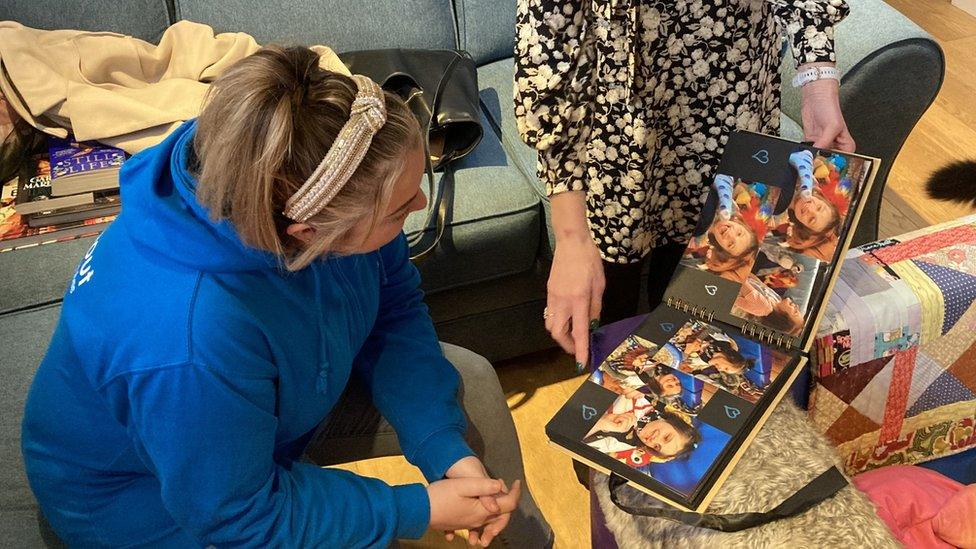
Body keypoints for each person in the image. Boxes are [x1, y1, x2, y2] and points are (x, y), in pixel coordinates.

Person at [21, 46, 552, 548]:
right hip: (151, 504)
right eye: (397, 209)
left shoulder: (290, 173)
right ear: (309, 233)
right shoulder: (187, 341)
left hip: (264, 413)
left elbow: (393, 305)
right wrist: (416, 509)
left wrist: (443, 447)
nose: (417, 203)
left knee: (473, 388)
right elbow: (239, 515)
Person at [516, 0, 855, 369]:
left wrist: (817, 79)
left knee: (711, 292)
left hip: (734, 82)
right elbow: (548, 36)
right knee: (614, 301)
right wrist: (570, 235)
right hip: (620, 112)